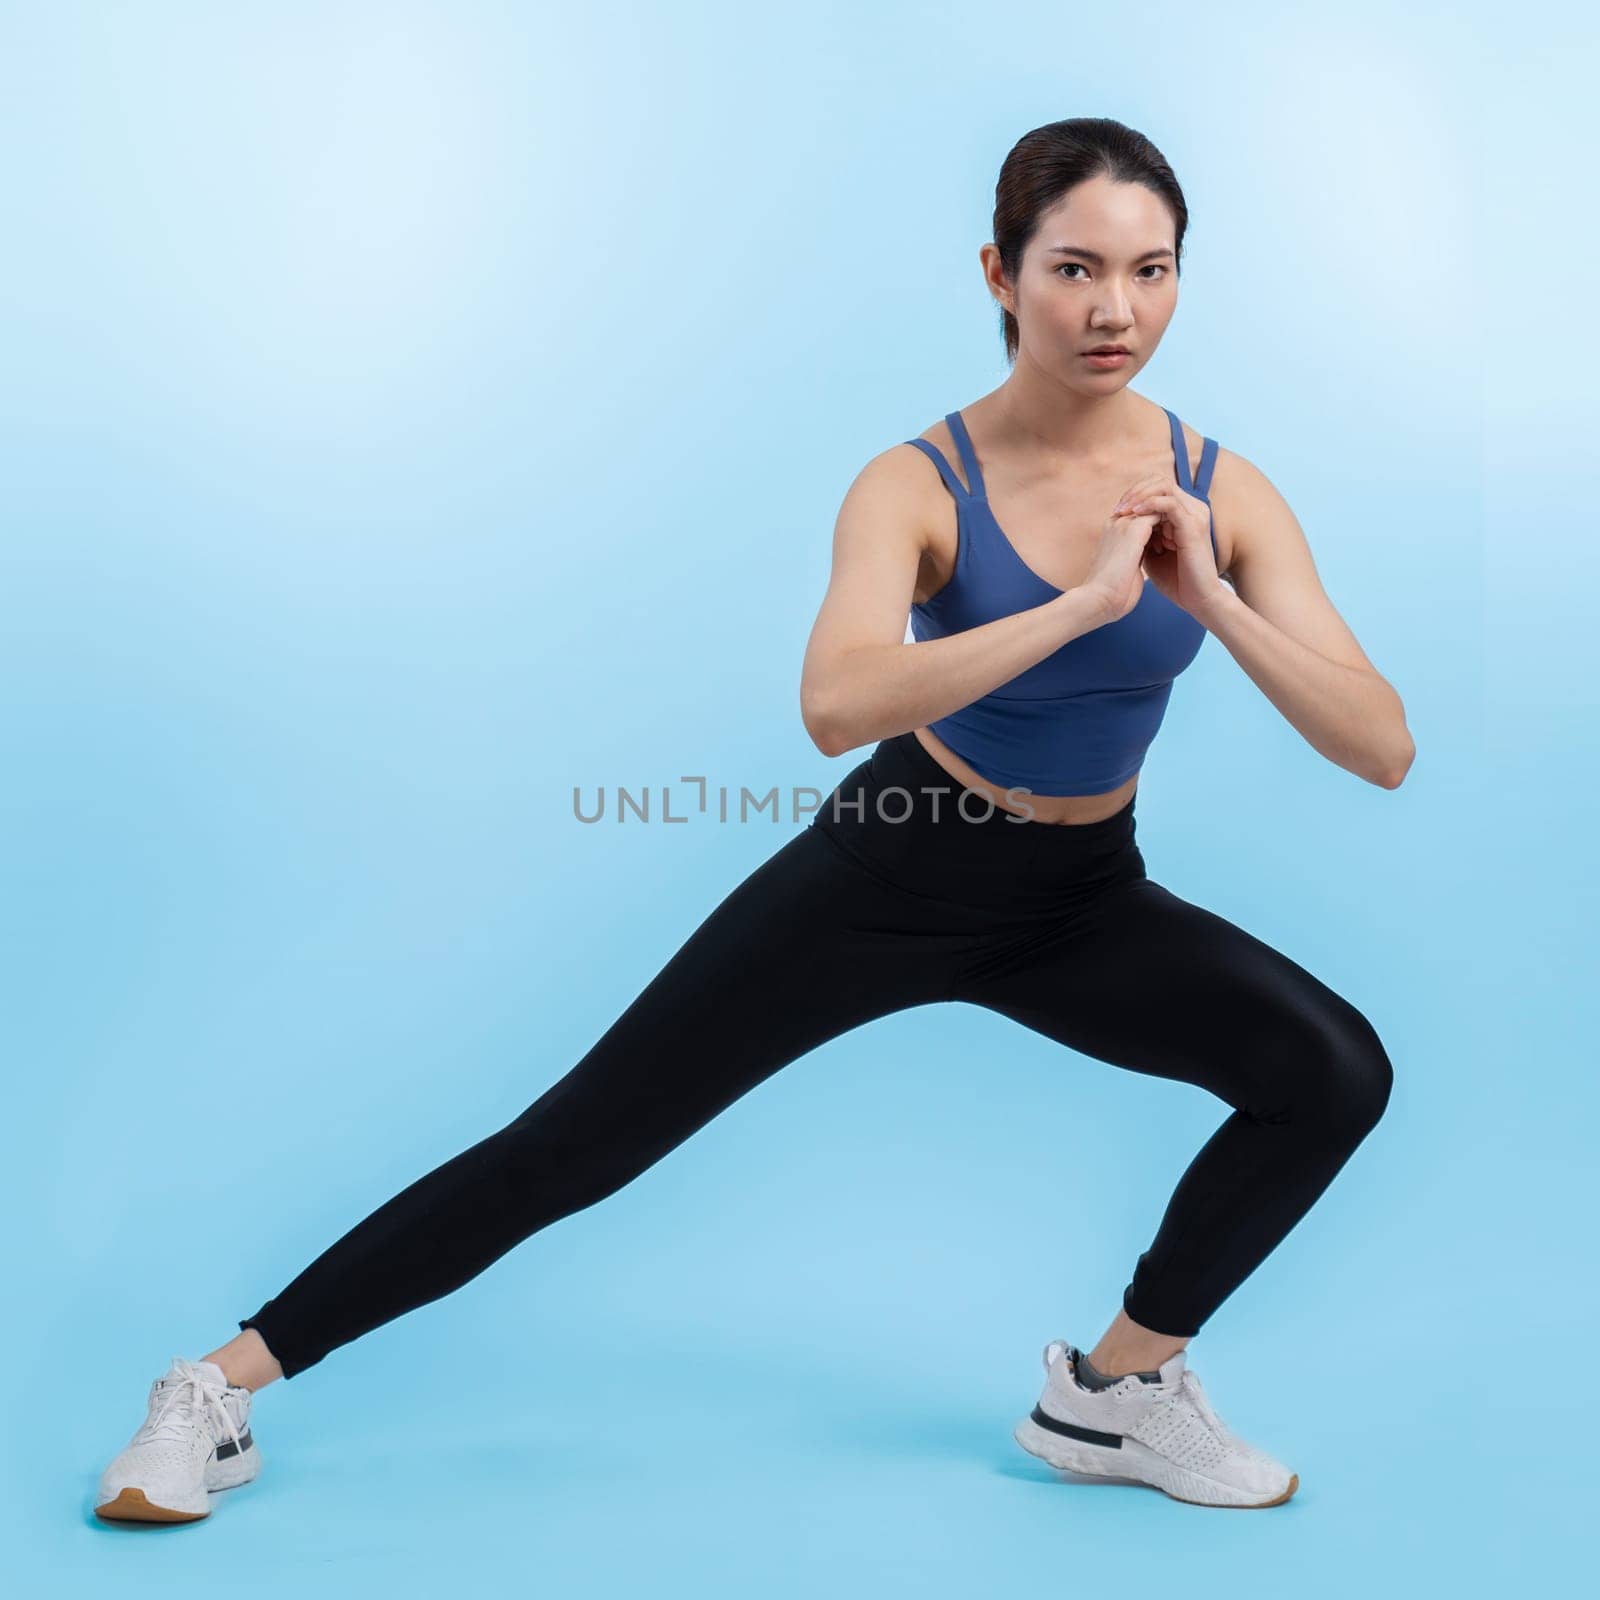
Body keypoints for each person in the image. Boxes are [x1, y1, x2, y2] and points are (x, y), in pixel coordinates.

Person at [94, 116, 1410, 1522]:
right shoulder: (919, 483)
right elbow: (838, 705)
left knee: (1332, 1074)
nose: (1114, 311)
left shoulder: (1220, 489)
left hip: (1081, 894)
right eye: (1075, 269)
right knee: (579, 1143)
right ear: (999, 272)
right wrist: (1086, 605)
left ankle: (1115, 1391)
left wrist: (1204, 596)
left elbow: (1378, 744)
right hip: (896, 859)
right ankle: (216, 1388)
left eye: (1151, 272)